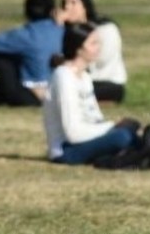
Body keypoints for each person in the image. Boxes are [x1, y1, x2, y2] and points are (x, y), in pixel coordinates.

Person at [42, 22, 142, 165]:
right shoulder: (63, 76)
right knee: (123, 137)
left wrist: (114, 127)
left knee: (131, 130)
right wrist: (112, 127)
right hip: (67, 149)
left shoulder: (84, 76)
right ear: (79, 49)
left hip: (86, 140)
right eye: (93, 43)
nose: (98, 48)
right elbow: (73, 133)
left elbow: (95, 118)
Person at [58, 0, 126, 103]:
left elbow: (102, 58)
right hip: (79, 80)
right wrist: (57, 28)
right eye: (65, 3)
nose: (68, 7)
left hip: (106, 81)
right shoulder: (66, 31)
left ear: (85, 5)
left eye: (73, 3)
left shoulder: (105, 28)